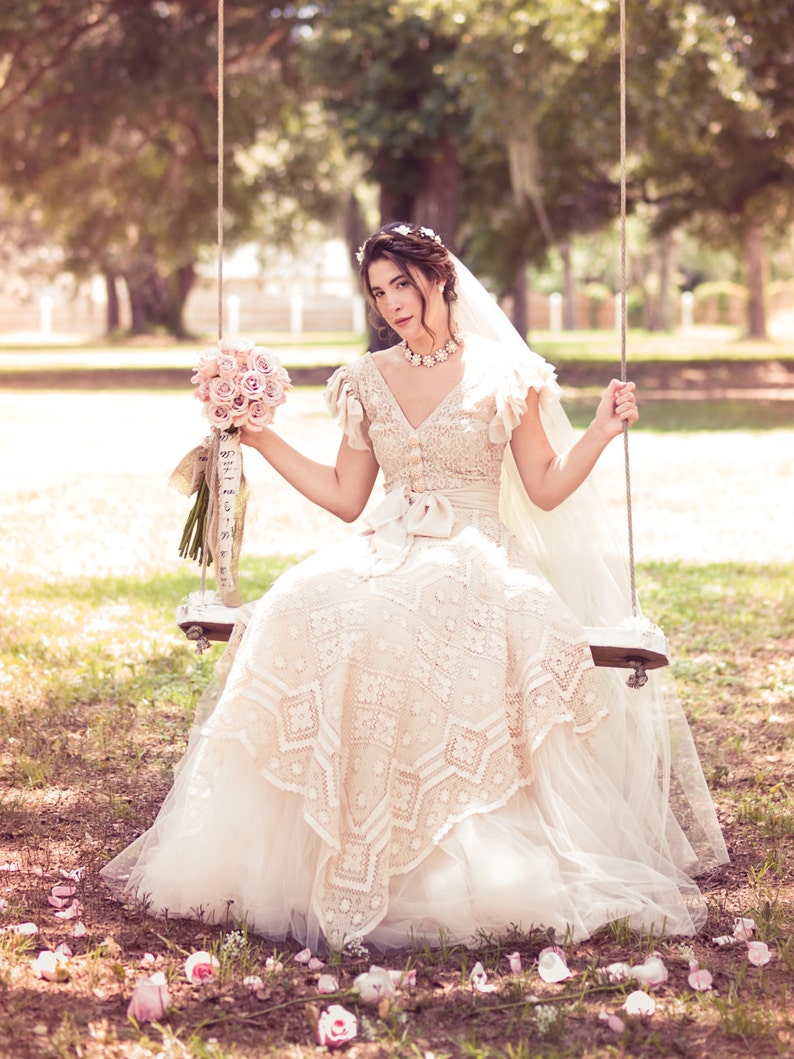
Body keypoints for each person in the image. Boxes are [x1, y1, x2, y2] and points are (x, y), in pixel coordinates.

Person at [101, 222, 727, 951]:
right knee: (302, 603)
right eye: (378, 291)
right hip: (384, 543)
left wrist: (599, 431)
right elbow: (344, 494)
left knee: (417, 615)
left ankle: (437, 854)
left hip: (472, 549)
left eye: (402, 283)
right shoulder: (369, 379)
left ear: (440, 279)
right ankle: (316, 849)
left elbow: (545, 487)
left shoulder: (504, 374)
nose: (392, 303)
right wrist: (259, 434)